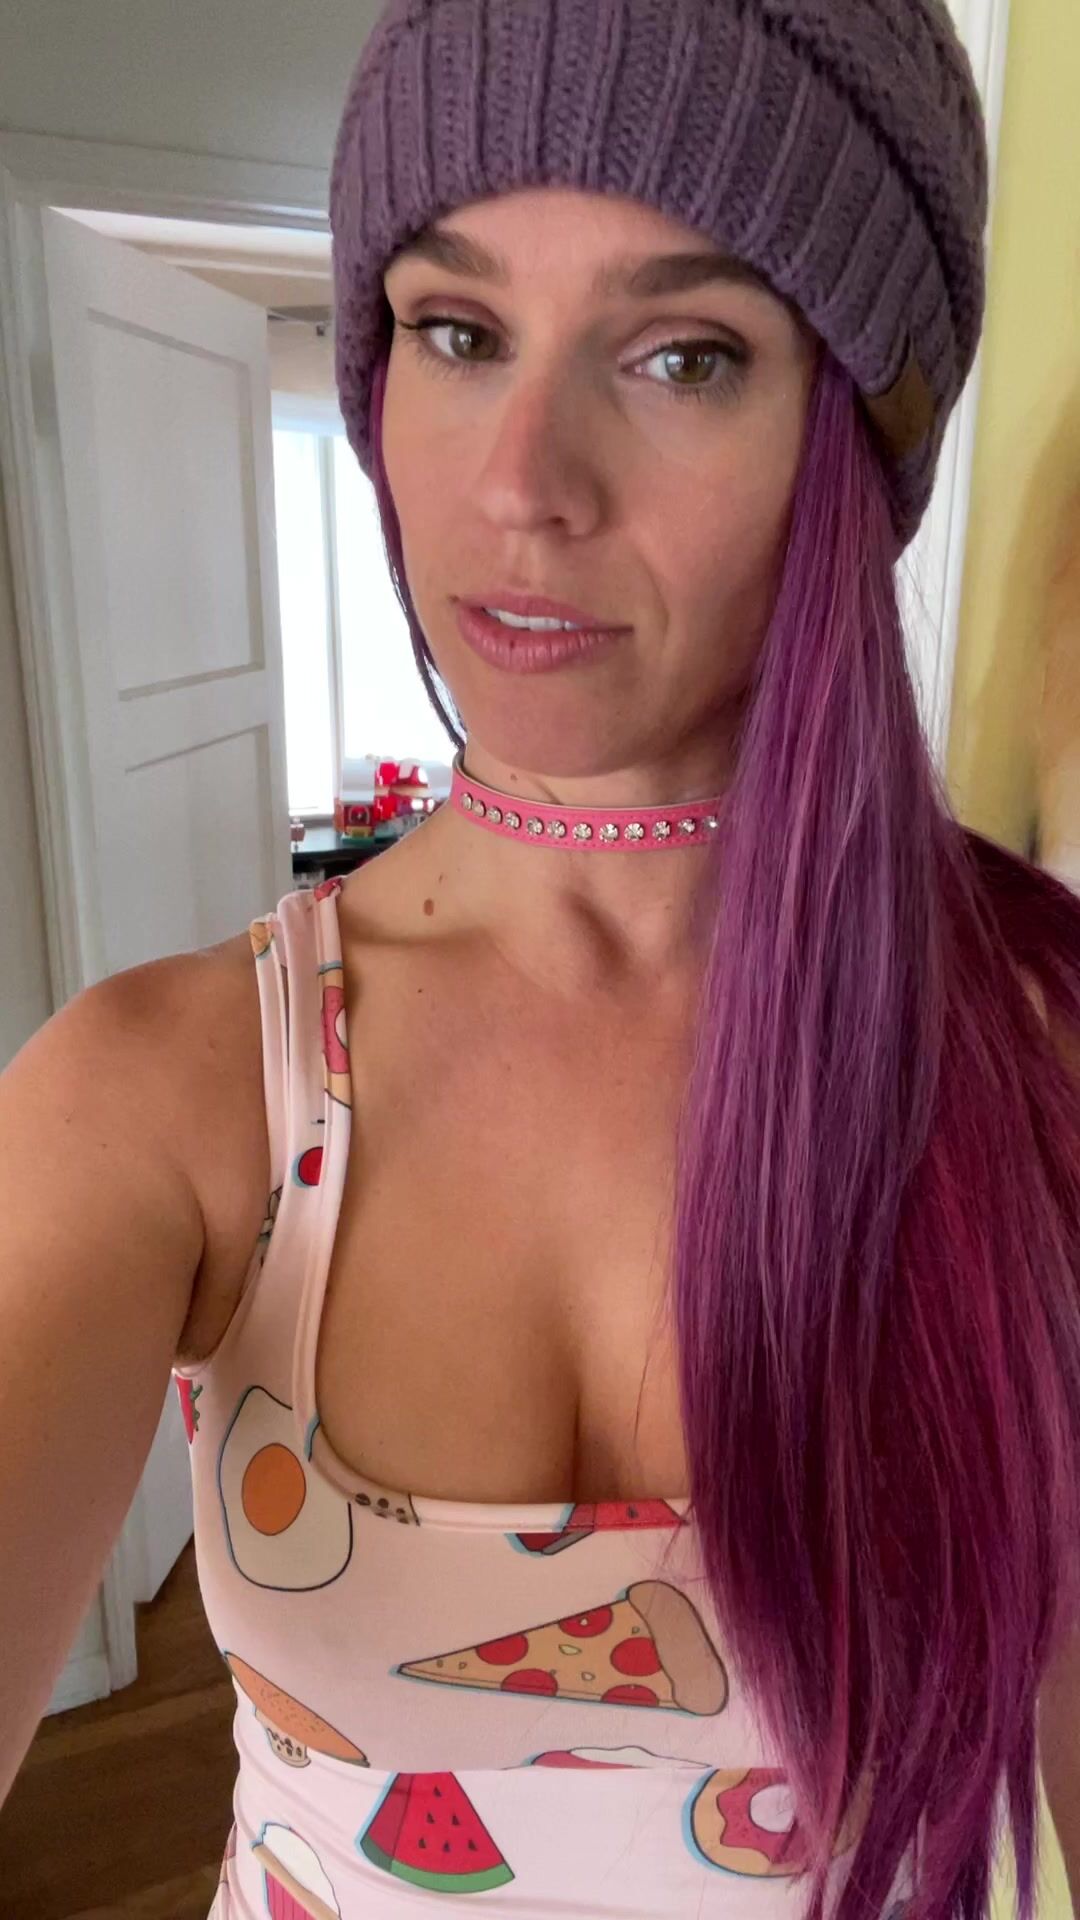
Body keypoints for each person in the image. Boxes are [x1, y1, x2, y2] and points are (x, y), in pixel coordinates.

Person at [5, 2, 1080, 1916]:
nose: (522, 484)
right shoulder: (167, 1094)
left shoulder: (1031, 1055)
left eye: (683, 354)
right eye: (456, 329)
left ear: (858, 430)